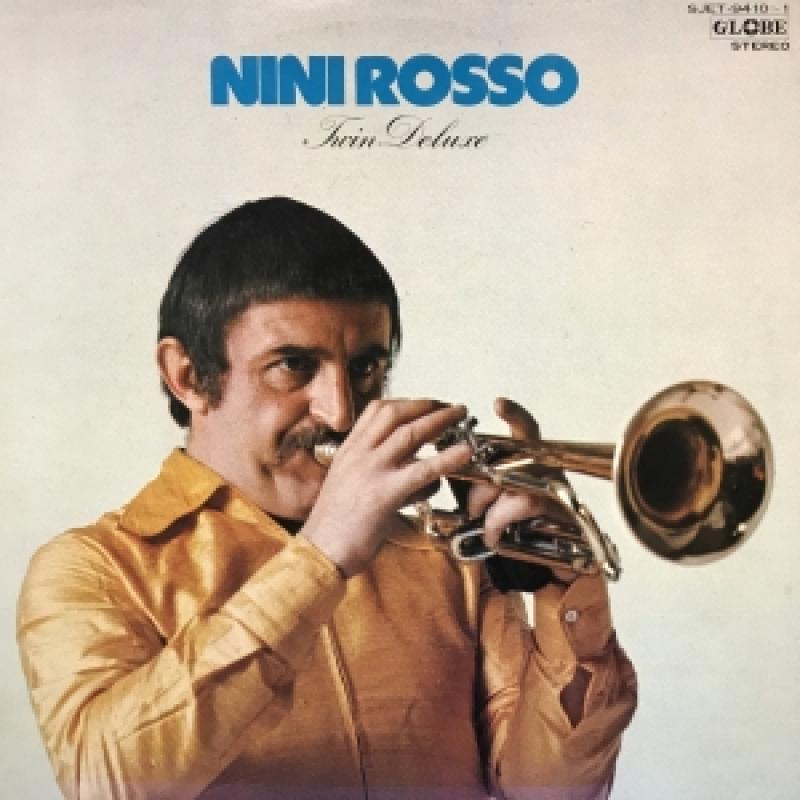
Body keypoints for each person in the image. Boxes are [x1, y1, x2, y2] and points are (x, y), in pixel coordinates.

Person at [17, 197, 637, 800]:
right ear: (187, 376)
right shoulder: (95, 567)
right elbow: (106, 781)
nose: (341, 412)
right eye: (293, 365)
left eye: (366, 369)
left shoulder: (450, 556)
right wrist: (320, 559)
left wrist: (562, 591)